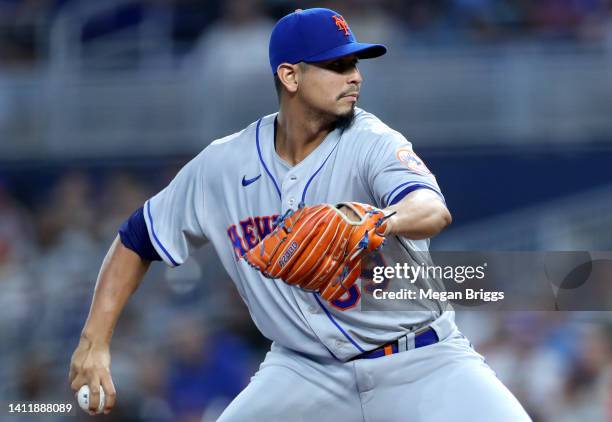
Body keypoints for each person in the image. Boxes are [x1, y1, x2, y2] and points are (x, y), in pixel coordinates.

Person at [69, 7, 530, 421]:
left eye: (354, 64)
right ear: (290, 76)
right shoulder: (222, 166)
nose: (355, 77)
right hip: (302, 371)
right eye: (337, 65)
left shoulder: (373, 140)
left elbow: (431, 208)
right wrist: (95, 341)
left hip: (422, 362)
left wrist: (374, 221)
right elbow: (136, 239)